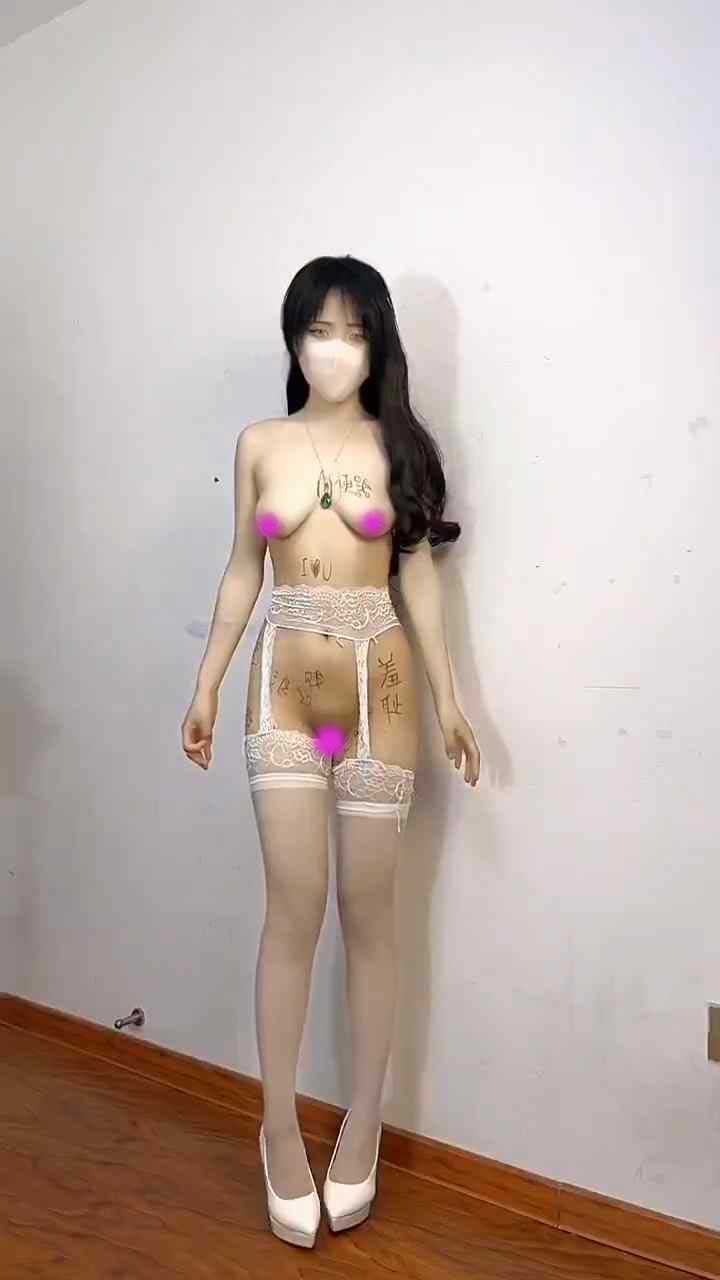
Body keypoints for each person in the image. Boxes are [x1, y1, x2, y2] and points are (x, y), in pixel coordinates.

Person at [181, 254, 481, 1248]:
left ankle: (362, 1124)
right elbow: (242, 569)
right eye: (318, 329)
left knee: (371, 913)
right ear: (294, 338)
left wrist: (451, 699)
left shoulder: (400, 447)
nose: (334, 349)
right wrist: (207, 681)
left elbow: (418, 577)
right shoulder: (260, 442)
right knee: (294, 907)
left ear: (378, 343)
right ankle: (277, 1127)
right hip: (284, 683)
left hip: (378, 686)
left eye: (354, 332)